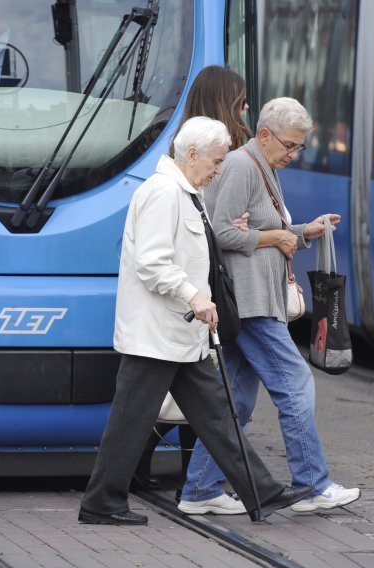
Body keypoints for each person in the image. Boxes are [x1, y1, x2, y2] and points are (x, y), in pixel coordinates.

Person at [78, 116, 312, 526]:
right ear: (191, 154)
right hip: (157, 334)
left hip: (181, 334)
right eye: (217, 162)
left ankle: (262, 493)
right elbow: (152, 263)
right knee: (132, 420)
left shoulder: (185, 192)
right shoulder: (164, 193)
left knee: (219, 417)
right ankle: (101, 503)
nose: (219, 170)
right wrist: (195, 297)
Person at [178, 98, 361, 514]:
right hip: (251, 299)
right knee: (295, 385)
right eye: (290, 145)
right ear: (264, 134)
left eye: (300, 147)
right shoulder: (245, 166)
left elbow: (264, 229)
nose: (294, 155)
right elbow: (223, 234)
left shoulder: (261, 165)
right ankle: (312, 485)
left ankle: (200, 491)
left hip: (254, 297)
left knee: (237, 402)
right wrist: (275, 238)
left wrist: (302, 232)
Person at [133, 65, 254, 497]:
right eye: (241, 102)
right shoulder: (178, 180)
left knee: (202, 403)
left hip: (189, 308)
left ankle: (247, 488)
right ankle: (204, 485)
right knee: (196, 401)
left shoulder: (188, 167)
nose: (247, 110)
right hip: (184, 306)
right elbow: (158, 256)